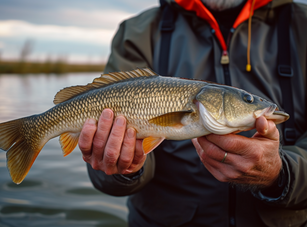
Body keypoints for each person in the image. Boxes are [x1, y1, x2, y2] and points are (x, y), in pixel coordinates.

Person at [79, 0, 307, 226]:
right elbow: (108, 175)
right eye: (247, 99)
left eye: (247, 99)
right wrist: (124, 168)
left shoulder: (302, 23)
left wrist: (283, 173)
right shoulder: (138, 32)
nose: (251, 102)